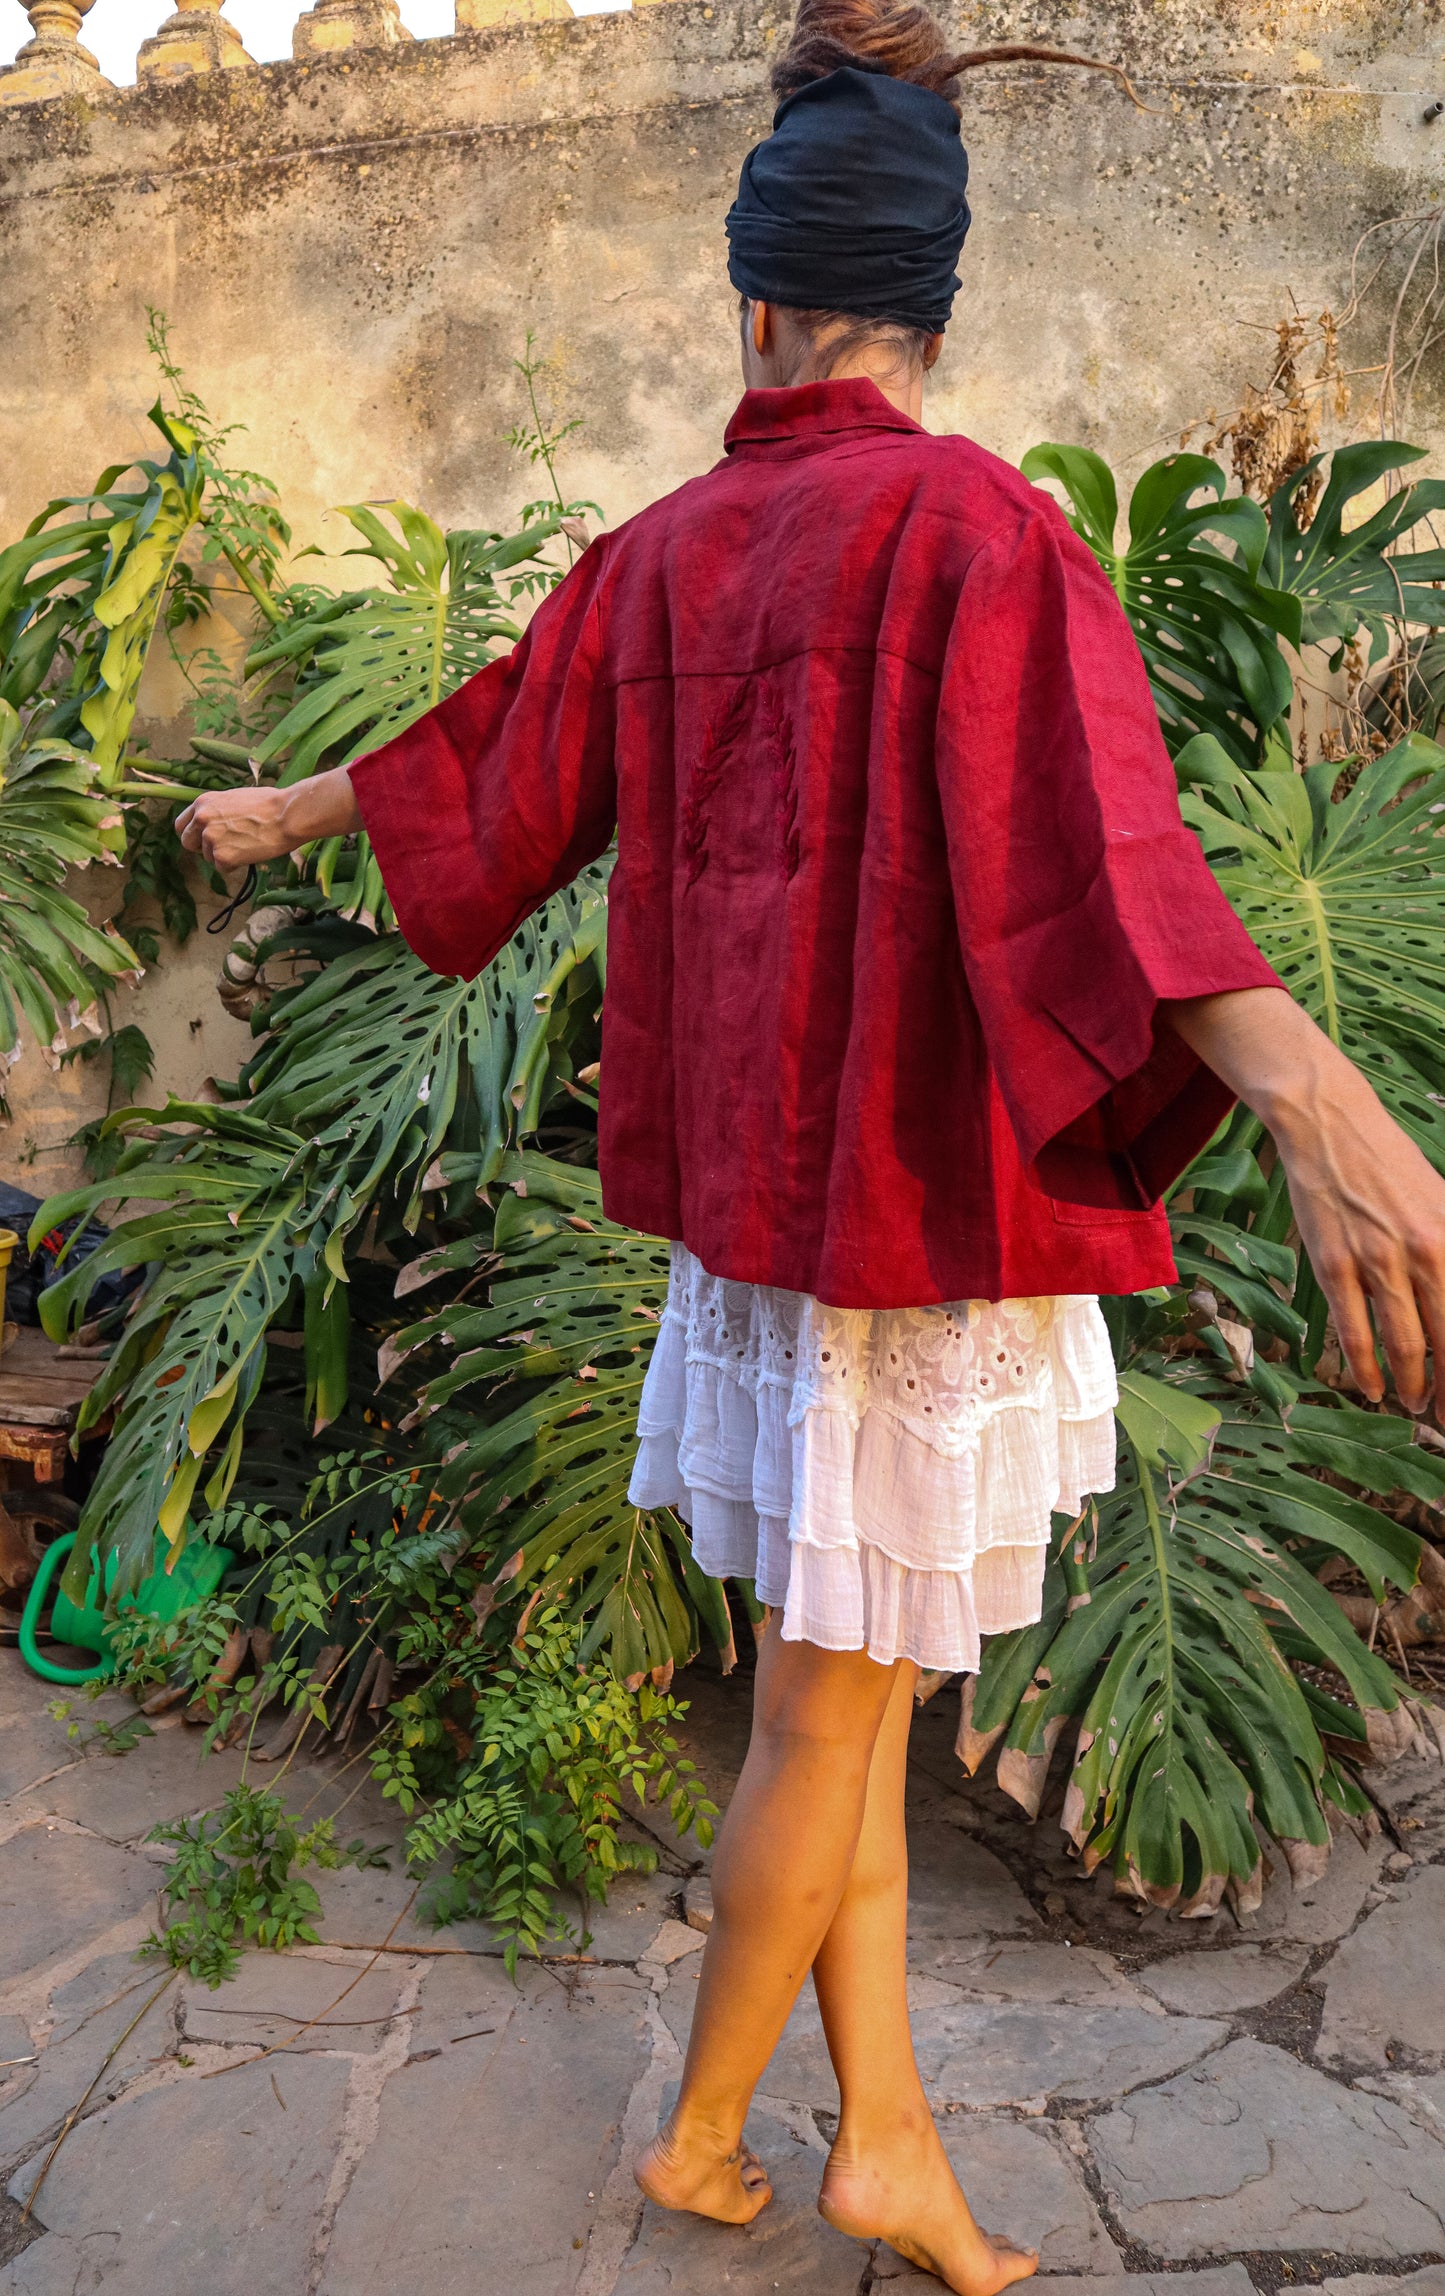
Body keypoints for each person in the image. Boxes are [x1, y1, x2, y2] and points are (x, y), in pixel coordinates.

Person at [179, 1, 1445, 2283]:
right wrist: (1318, 1091)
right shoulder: (984, 535)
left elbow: (495, 760)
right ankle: (699, 2135)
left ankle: (885, 2140)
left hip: (761, 1252)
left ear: (749, 296)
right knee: (826, 1724)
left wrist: (281, 802)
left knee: (831, 1705)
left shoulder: (664, 556)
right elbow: (1117, 870)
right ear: (930, 306)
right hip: (916, 1249)